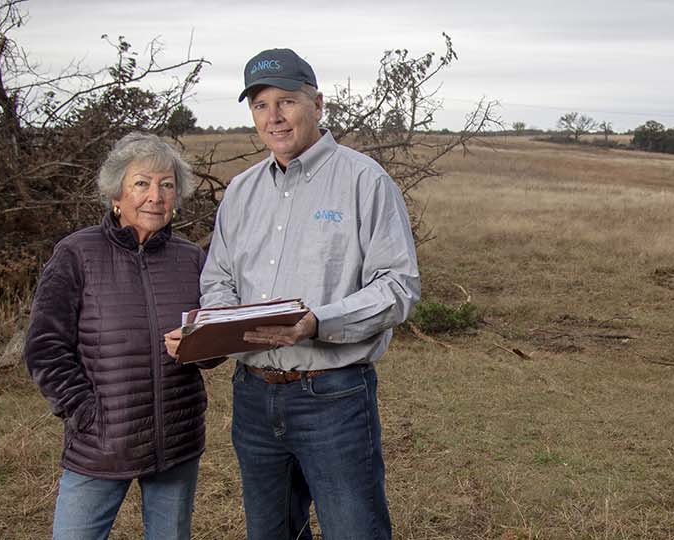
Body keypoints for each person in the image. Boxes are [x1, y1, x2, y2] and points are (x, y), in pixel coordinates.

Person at [194, 48, 420, 540]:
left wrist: (317, 322)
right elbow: (217, 278)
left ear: (318, 103)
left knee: (354, 530)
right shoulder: (241, 191)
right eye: (259, 105)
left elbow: (398, 287)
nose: (273, 118)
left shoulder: (364, 181)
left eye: (286, 102)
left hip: (333, 396)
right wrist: (217, 327)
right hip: (253, 397)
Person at [25, 132, 221, 540]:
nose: (156, 195)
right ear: (116, 194)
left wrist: (202, 346)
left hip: (176, 442)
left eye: (167, 185)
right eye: (142, 184)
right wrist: (84, 414)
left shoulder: (191, 259)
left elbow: (211, 347)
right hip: (100, 444)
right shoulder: (77, 254)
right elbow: (45, 346)